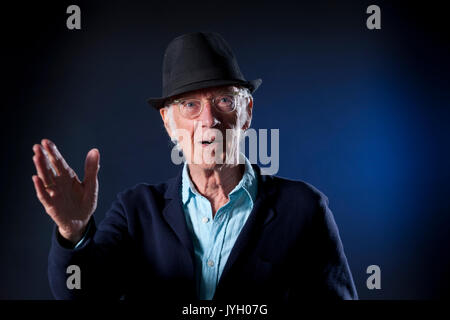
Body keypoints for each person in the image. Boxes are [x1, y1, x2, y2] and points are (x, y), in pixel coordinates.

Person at [32, 32, 358, 301]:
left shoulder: (303, 208)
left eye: (224, 101)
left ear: (248, 113)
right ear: (168, 122)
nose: (209, 120)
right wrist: (73, 231)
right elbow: (82, 294)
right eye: (190, 105)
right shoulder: (136, 211)